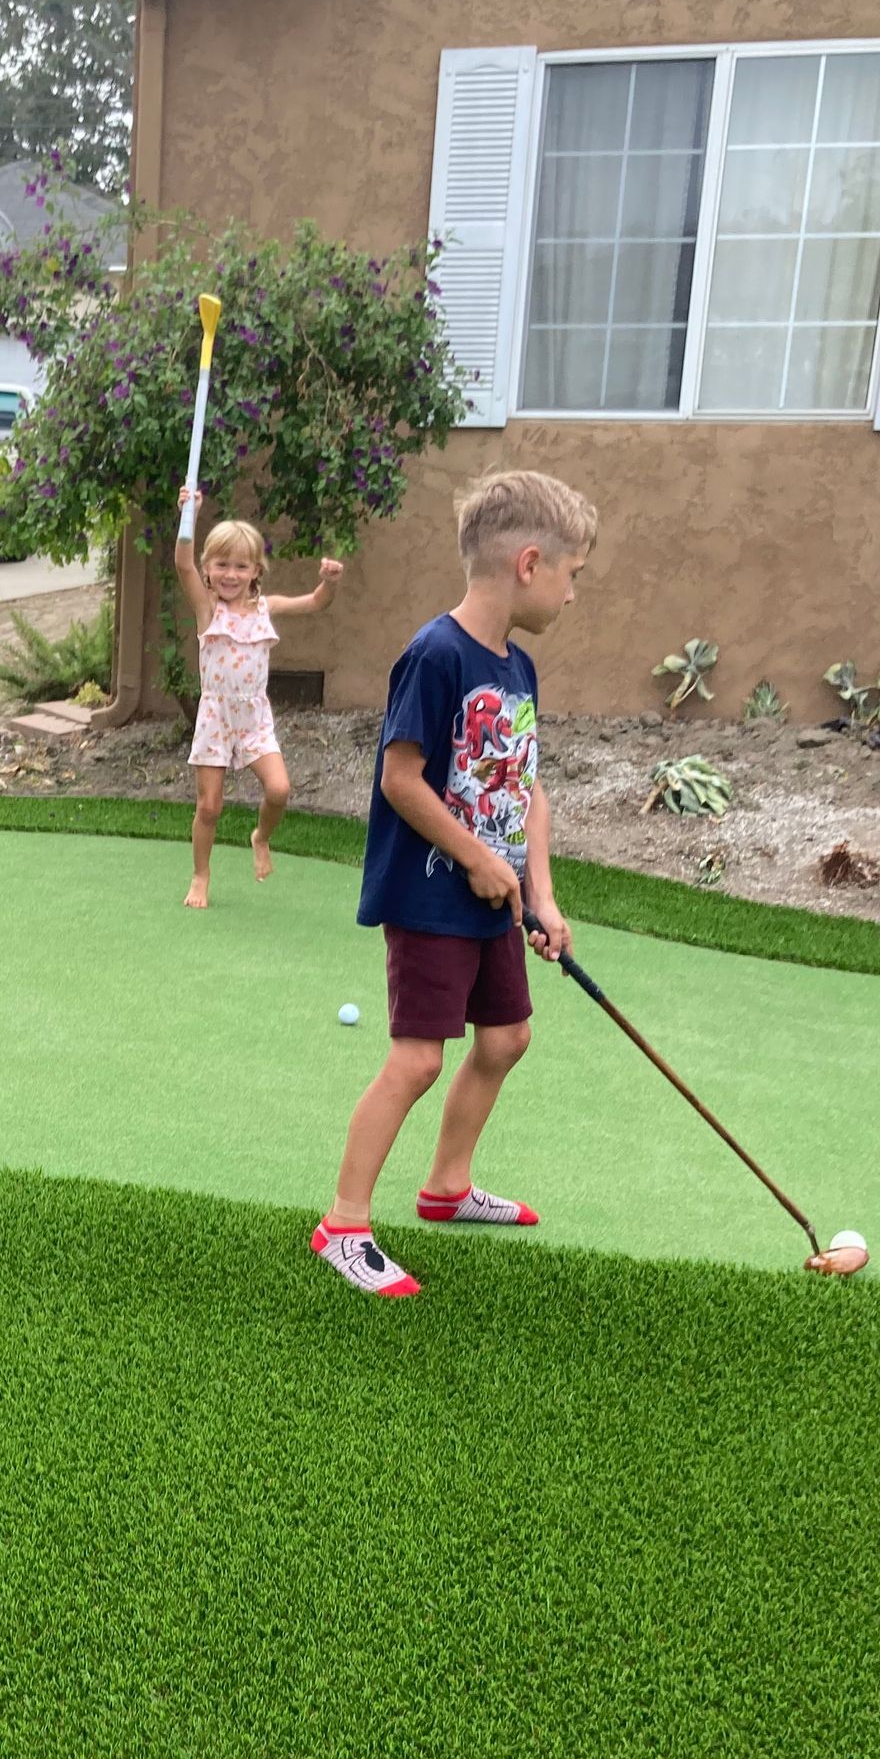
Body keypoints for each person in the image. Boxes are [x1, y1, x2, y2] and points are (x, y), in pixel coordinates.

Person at [314, 469, 598, 1297]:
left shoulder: (519, 670)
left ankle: (445, 1186)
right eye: (572, 576)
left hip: (496, 898)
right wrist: (476, 855)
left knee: (508, 1038)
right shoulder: (436, 653)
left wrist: (540, 893)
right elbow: (401, 778)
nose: (572, 596)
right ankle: (344, 1223)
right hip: (434, 891)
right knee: (417, 1059)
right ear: (530, 563)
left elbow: (529, 789)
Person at [176, 489, 343, 909]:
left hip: (253, 716)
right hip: (216, 716)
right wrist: (188, 516)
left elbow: (317, 602)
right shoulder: (207, 610)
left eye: (240, 566)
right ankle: (201, 874)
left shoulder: (266, 608)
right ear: (208, 570)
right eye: (221, 564)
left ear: (255, 571)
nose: (230, 574)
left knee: (280, 789)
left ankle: (261, 837)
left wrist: (330, 580)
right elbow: (181, 563)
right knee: (210, 806)